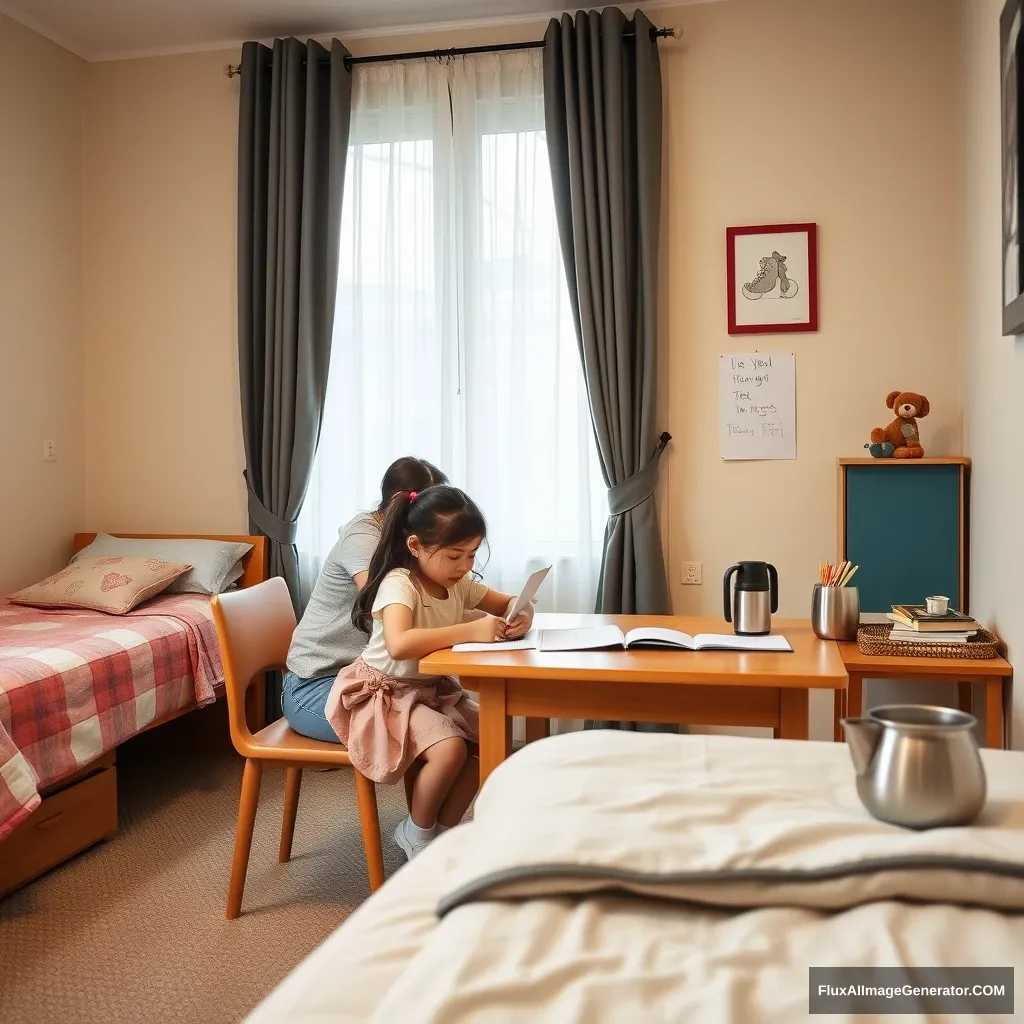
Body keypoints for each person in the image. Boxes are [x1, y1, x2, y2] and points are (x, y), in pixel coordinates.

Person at [325, 485, 533, 860]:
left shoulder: (459, 583)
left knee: (487, 737)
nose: (465, 566)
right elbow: (400, 644)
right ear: (416, 546)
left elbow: (509, 601)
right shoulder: (399, 584)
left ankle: (442, 834)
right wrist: (471, 629)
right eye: (454, 556)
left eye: (471, 555)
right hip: (383, 692)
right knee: (450, 748)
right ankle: (416, 832)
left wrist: (522, 614)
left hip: (427, 689)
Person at [282, 457, 447, 743]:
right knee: (439, 730)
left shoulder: (406, 541)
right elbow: (384, 605)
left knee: (459, 719)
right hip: (317, 685)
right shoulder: (363, 538)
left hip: (370, 679)